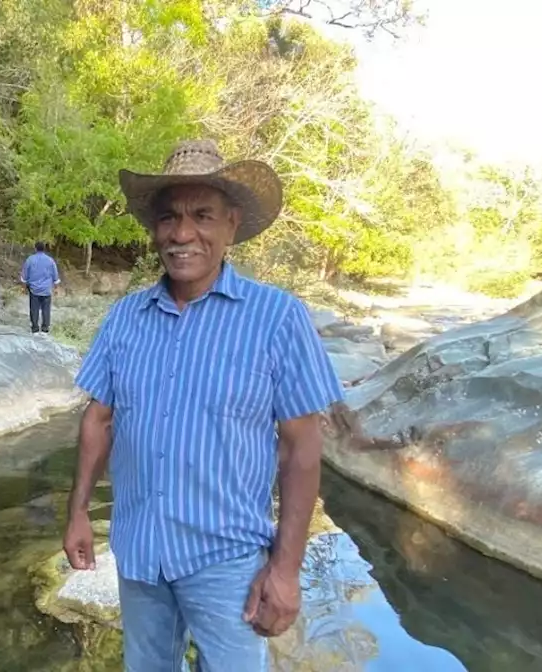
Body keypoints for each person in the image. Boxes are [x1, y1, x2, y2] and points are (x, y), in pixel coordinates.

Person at [63, 139, 344, 671]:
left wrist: (285, 571)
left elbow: (302, 448)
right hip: (140, 551)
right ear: (154, 229)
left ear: (231, 225)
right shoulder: (125, 318)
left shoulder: (277, 318)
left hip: (227, 562)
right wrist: (78, 512)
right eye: (168, 217)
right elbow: (98, 418)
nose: (182, 233)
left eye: (202, 215)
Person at [20, 241, 61, 333]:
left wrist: (23, 287)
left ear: (35, 248)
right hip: (46, 290)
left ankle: (35, 328)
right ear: (44, 249)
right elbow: (55, 275)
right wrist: (56, 288)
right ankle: (45, 328)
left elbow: (24, 276)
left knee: (34, 309)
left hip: (34, 290)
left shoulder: (30, 259)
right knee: (46, 310)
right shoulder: (50, 260)